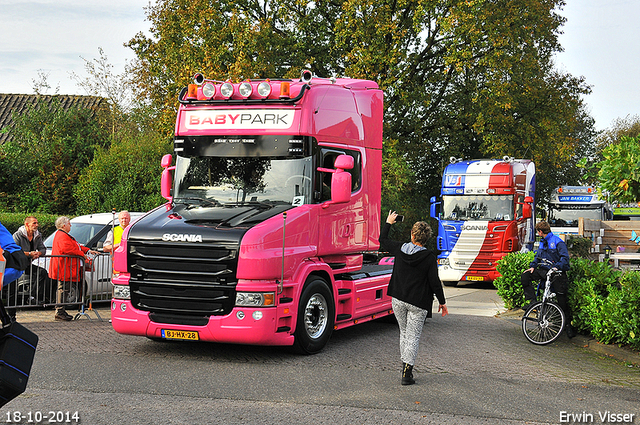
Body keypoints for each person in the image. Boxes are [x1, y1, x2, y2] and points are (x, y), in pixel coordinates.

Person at [379, 210, 448, 386]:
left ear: (412, 234)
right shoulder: (429, 257)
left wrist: (388, 223)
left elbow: (383, 241)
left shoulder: (400, 249)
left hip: (398, 299)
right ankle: (407, 371)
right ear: (427, 238)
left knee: (404, 333)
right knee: (413, 336)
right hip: (418, 303)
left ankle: (405, 367)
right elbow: (434, 282)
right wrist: (442, 302)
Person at [520, 220, 575, 338]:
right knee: (525, 276)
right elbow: (538, 257)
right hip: (544, 271)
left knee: (562, 302)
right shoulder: (542, 242)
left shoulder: (557, 242)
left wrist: (556, 267)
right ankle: (533, 303)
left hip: (557, 273)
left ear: (540, 232)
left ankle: (568, 327)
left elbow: (565, 260)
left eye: (537, 232)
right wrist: (533, 267)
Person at [49, 216, 96, 321]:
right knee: (63, 289)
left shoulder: (63, 235)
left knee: (64, 288)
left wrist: (87, 250)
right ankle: (60, 311)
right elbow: (67, 249)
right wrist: (82, 254)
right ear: (63, 225)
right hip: (64, 267)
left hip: (66, 267)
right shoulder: (62, 235)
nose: (70, 225)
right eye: (69, 223)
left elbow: (75, 246)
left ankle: (61, 310)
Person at [12, 216, 53, 304]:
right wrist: (30, 253)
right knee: (12, 284)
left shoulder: (37, 235)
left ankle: (33, 297)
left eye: (37, 223)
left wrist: (38, 253)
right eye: (34, 223)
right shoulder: (18, 235)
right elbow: (15, 251)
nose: (37, 225)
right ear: (27, 224)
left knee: (42, 272)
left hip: (27, 264)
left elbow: (43, 249)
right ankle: (12, 304)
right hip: (16, 264)